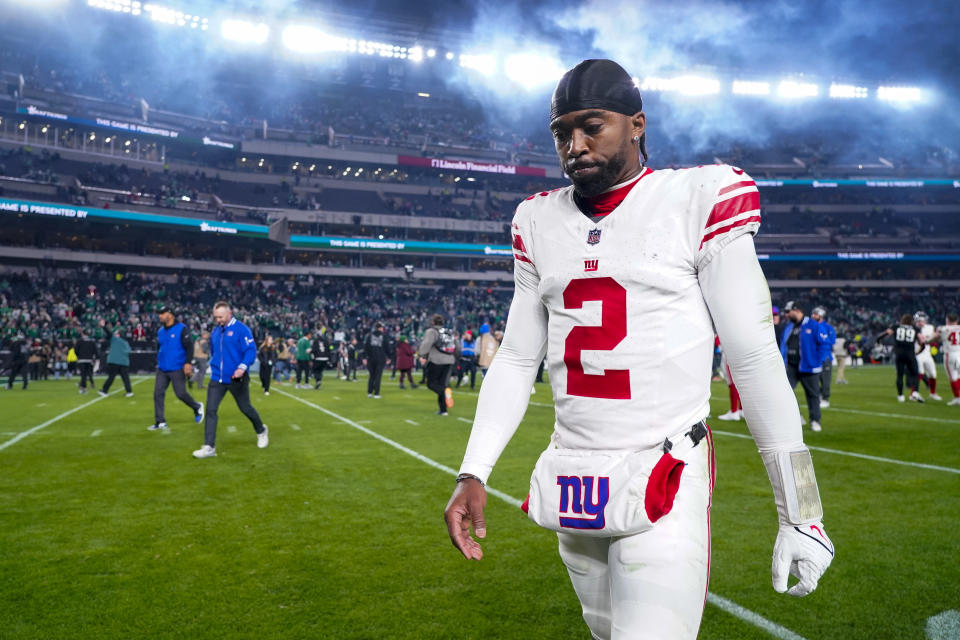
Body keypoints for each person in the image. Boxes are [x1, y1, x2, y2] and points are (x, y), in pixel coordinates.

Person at [443, 59, 833, 640]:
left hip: (665, 467)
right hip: (574, 479)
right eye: (561, 132)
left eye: (591, 126)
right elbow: (520, 359)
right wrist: (472, 471)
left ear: (637, 124)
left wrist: (803, 510)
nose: (574, 145)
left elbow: (752, 356)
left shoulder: (697, 197)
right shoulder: (537, 219)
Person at [192, 301, 268, 458]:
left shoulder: (241, 329)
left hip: (236, 378)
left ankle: (261, 430)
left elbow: (250, 351)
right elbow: (214, 351)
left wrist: (242, 367)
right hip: (216, 378)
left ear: (229, 313)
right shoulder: (215, 331)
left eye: (220, 317)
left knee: (245, 407)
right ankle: (209, 446)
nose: (218, 320)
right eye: (215, 317)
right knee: (211, 410)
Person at [150, 306, 203, 431]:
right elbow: (160, 347)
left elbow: (189, 347)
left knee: (180, 393)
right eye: (159, 313)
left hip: (177, 367)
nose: (160, 316)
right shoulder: (160, 331)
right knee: (158, 393)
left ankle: (196, 407)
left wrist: (188, 364)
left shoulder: (182, 329)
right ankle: (160, 421)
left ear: (170, 315)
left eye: (162, 313)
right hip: (163, 368)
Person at [779, 301, 826, 431]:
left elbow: (824, 344)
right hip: (792, 366)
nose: (787, 314)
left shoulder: (813, 325)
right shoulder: (788, 327)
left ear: (798, 310)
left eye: (789, 312)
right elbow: (783, 345)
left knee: (813, 395)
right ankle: (797, 416)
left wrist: (817, 360)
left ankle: (815, 420)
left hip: (809, 367)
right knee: (785, 393)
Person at [419, 314, 459, 415]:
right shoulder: (448, 332)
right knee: (442, 384)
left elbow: (426, 343)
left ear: (433, 322)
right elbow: (457, 346)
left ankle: (445, 393)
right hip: (449, 360)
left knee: (431, 384)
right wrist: (454, 358)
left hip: (436, 360)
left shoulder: (432, 331)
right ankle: (443, 410)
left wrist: (422, 355)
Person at [882, 315, 924, 403]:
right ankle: (915, 392)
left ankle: (900, 396)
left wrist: (879, 340)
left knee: (900, 375)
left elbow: (885, 334)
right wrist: (919, 351)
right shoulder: (915, 329)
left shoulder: (896, 327)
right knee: (915, 374)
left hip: (899, 354)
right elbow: (922, 342)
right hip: (910, 354)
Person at [810, 307, 836, 407]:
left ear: (820, 315)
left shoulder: (828, 328)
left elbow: (832, 341)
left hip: (825, 357)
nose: (813, 316)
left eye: (815, 314)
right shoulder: (810, 327)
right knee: (814, 380)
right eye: (812, 314)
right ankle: (819, 396)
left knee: (825, 380)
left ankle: (825, 398)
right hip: (814, 358)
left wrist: (822, 340)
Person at [913, 312, 941, 400]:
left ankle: (933, 393)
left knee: (933, 374)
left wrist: (935, 342)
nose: (921, 322)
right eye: (919, 321)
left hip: (927, 353)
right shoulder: (913, 329)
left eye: (922, 320)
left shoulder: (930, 328)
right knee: (919, 373)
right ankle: (914, 393)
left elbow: (934, 338)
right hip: (917, 353)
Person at [98, 330, 133, 397]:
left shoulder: (115, 339)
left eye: (116, 333)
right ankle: (129, 392)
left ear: (119, 335)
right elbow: (129, 351)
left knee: (111, 377)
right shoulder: (126, 342)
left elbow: (109, 333)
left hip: (114, 362)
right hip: (124, 363)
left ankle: (104, 390)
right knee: (125, 378)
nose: (115, 334)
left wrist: (103, 326)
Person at [937, 312, 960, 405]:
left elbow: (936, 337)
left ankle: (957, 398)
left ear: (948, 320)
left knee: (953, 377)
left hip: (950, 354)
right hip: (959, 352)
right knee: (958, 376)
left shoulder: (943, 328)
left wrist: (926, 341)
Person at [364, 322, 389, 398]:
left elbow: (366, 347)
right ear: (380, 328)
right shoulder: (384, 336)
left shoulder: (369, 336)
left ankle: (369, 392)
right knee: (378, 376)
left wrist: (364, 357)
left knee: (371, 376)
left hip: (370, 358)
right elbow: (387, 347)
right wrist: (389, 357)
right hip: (380, 358)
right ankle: (377, 393)